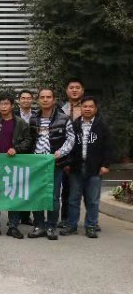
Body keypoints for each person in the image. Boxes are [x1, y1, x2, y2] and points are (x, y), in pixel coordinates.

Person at [0, 94, 33, 239]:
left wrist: (17, 149)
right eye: (1, 104)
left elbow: (28, 140)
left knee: (13, 195)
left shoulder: (20, 122)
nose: (3, 106)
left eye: (6, 104)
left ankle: (13, 226)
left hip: (13, 164)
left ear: (12, 105)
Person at [28, 88, 75, 240]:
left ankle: (51, 226)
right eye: (42, 97)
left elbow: (71, 139)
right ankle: (39, 225)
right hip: (36, 165)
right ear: (38, 100)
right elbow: (30, 140)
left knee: (53, 196)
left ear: (54, 100)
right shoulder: (33, 119)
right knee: (36, 195)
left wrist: (60, 153)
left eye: (48, 97)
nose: (45, 99)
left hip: (55, 164)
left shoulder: (64, 118)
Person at [63, 96, 110, 239]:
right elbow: (68, 145)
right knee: (73, 199)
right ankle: (72, 225)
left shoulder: (102, 126)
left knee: (92, 200)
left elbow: (108, 147)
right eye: (85, 106)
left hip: (95, 168)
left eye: (91, 106)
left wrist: (105, 165)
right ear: (81, 108)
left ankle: (91, 226)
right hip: (76, 167)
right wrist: (67, 163)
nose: (88, 109)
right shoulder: (74, 125)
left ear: (95, 109)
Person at [58, 78, 85, 226]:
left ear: (82, 90)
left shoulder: (89, 108)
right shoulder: (61, 110)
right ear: (66, 91)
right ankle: (65, 219)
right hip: (66, 155)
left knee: (88, 191)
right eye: (71, 87)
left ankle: (91, 222)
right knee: (67, 189)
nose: (74, 90)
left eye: (77, 87)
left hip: (84, 154)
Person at [15, 89, 36, 224]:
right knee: (16, 186)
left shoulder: (37, 116)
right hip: (16, 154)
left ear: (32, 100)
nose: (26, 100)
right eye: (23, 98)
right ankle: (14, 217)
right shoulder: (13, 115)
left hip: (32, 154)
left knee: (29, 186)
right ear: (19, 101)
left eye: (28, 98)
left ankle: (26, 216)